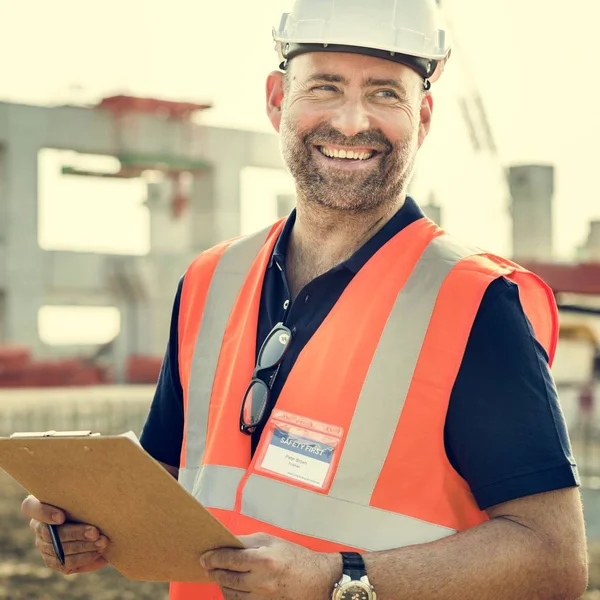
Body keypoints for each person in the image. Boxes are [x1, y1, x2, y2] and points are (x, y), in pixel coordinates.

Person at [22, 0, 588, 599]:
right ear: (276, 100)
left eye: (385, 94)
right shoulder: (210, 281)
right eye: (324, 86)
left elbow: (554, 558)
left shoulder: (474, 302)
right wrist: (93, 520)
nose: (350, 122)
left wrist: (340, 579)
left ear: (422, 116)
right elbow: (175, 474)